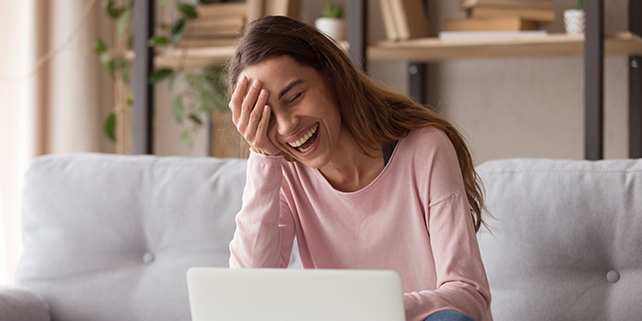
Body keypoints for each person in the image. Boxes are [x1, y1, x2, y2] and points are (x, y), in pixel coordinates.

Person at [226, 16, 492, 321]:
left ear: (331, 77)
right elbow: (248, 293)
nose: (287, 126)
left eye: (296, 97)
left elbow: (469, 292)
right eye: (267, 117)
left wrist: (372, 309)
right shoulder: (286, 175)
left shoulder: (426, 149)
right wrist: (262, 157)